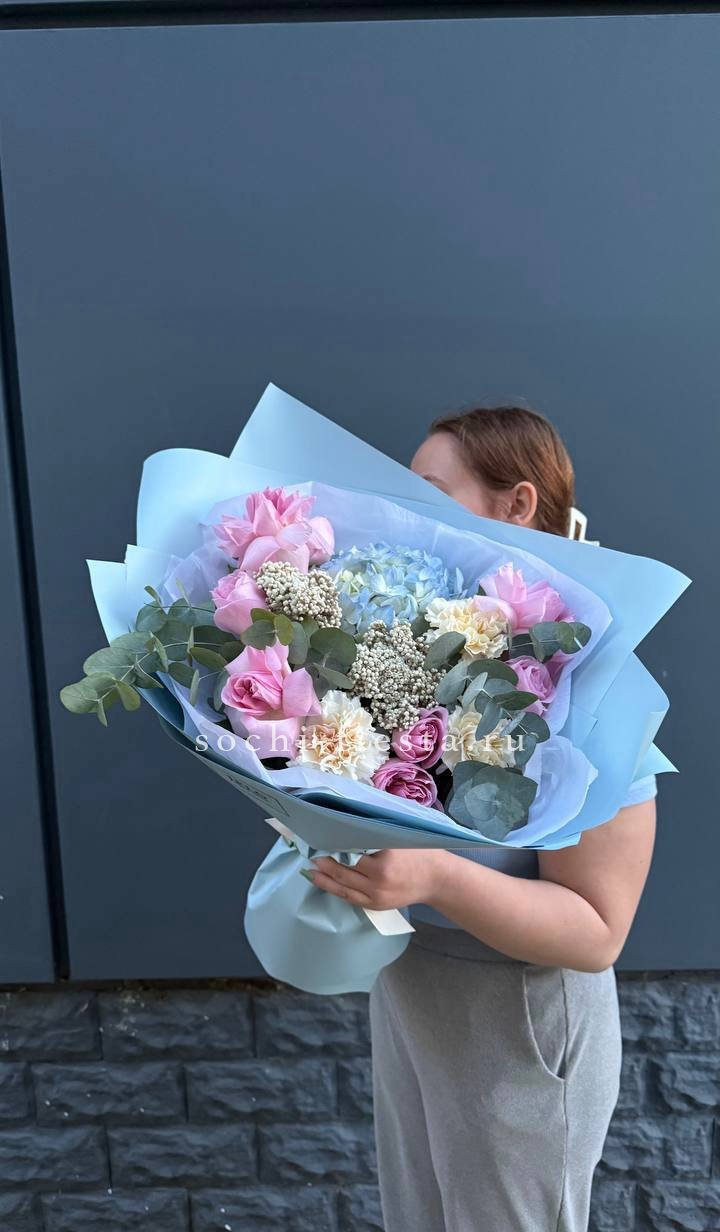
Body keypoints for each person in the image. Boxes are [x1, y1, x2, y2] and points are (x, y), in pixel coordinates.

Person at [306, 404, 657, 1232]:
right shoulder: (423, 650)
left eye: (429, 491)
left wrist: (432, 874)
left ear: (517, 504)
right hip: (416, 993)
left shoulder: (596, 681)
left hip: (521, 1026)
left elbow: (598, 931)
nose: (405, 513)